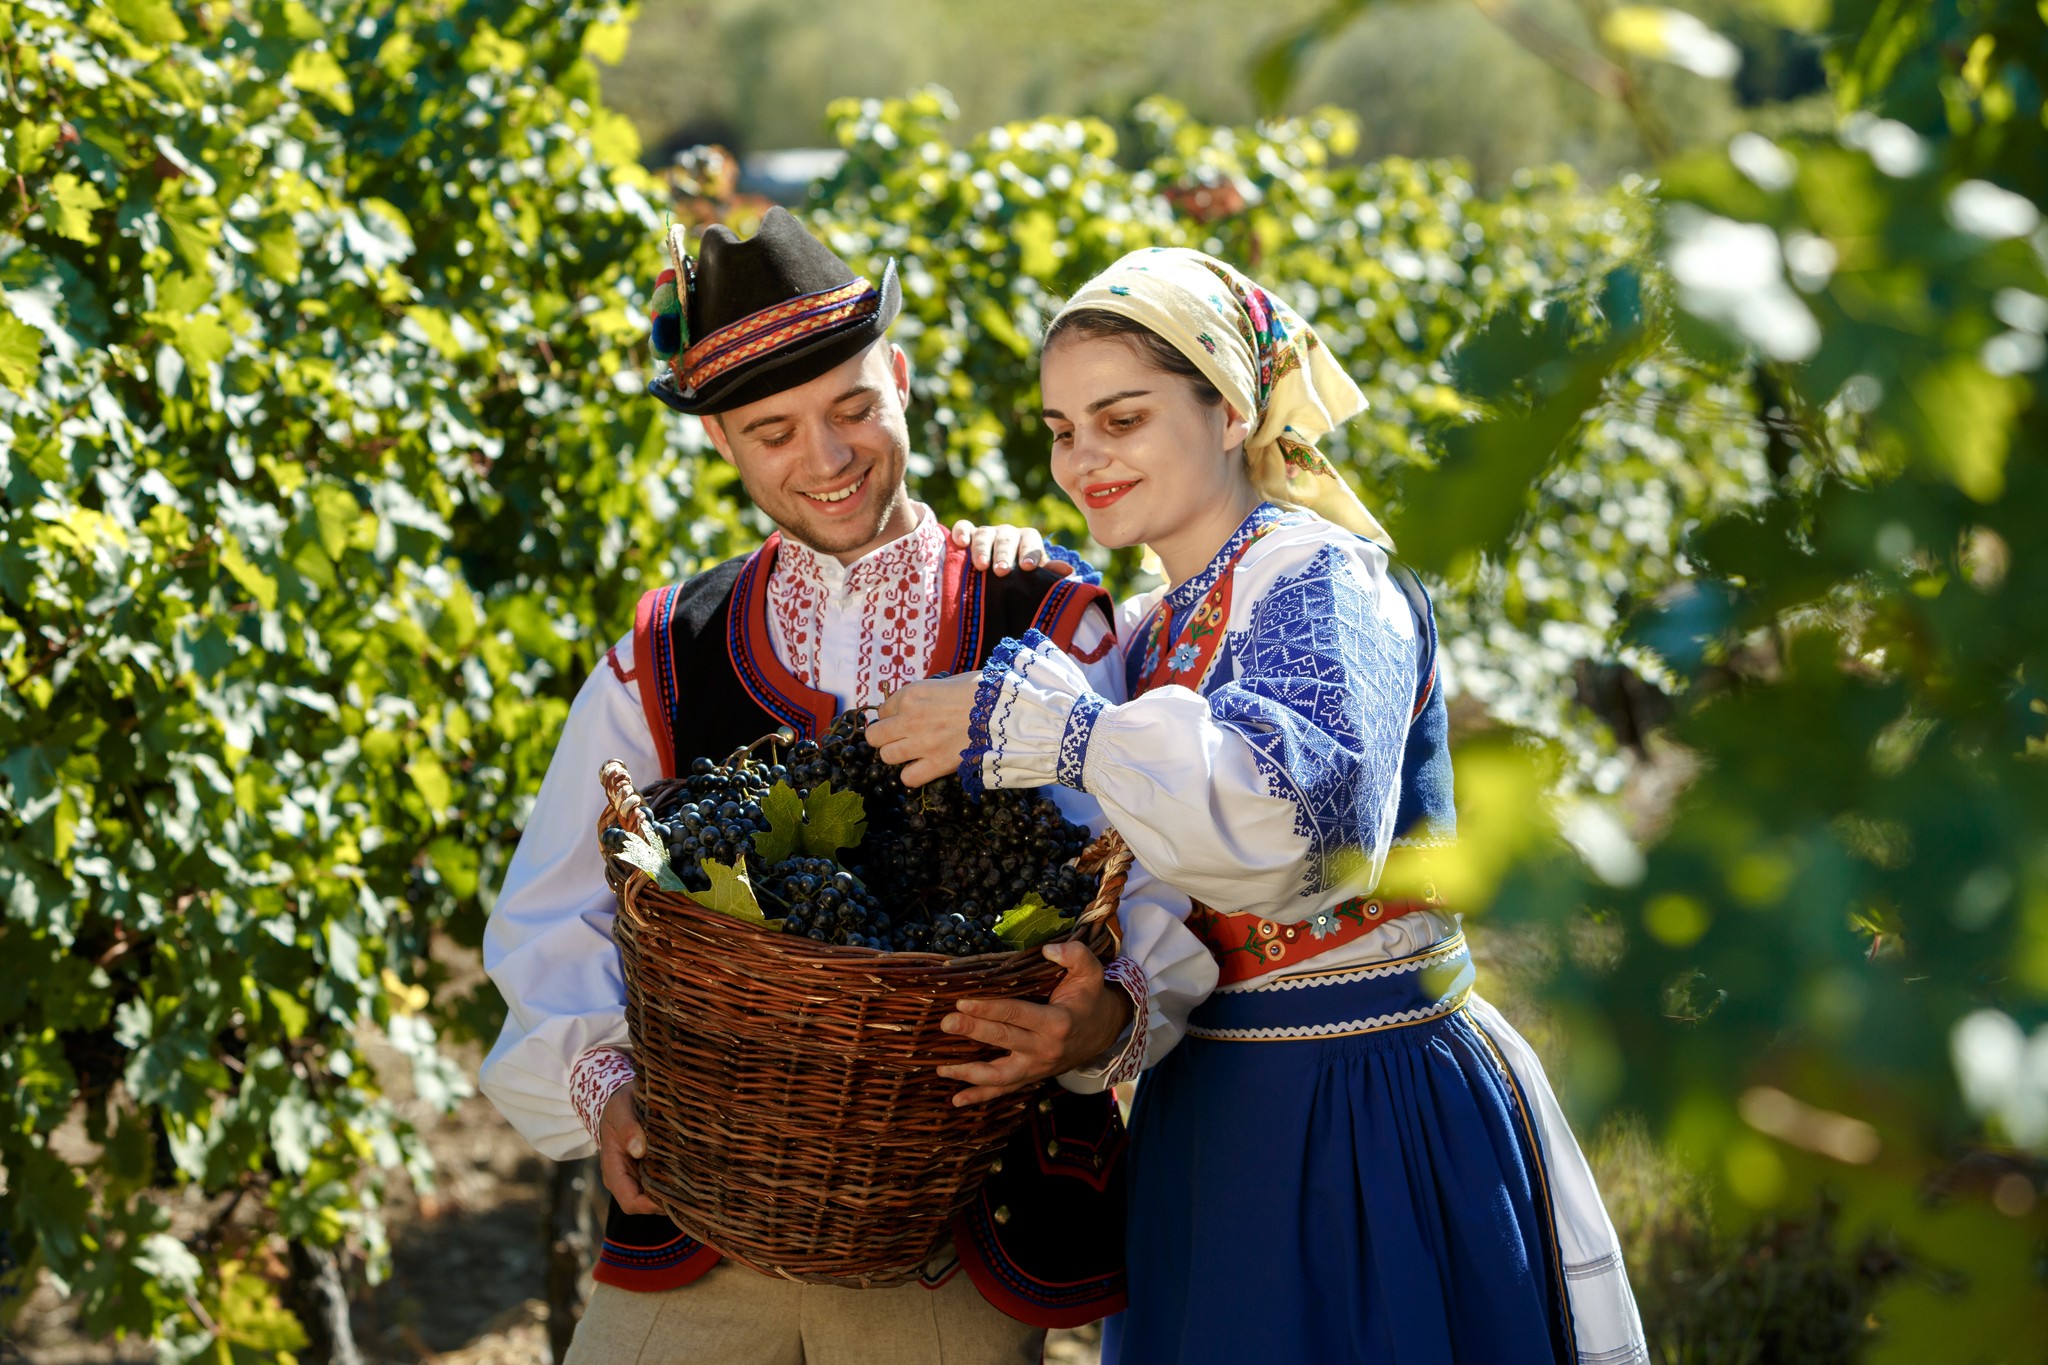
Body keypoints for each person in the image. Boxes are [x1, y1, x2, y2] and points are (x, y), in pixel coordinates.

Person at [869, 247, 1649, 1364]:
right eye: (1060, 428)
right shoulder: (1138, 632)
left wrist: (1062, 731)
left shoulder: (1325, 576)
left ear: (1229, 409)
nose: (1082, 455)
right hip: (1206, 1112)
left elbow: (1309, 825)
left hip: (1367, 1098)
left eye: (1120, 417)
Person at [478, 210, 1204, 1365]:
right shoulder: (667, 646)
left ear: (902, 381)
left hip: (951, 1230)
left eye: (853, 408)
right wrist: (605, 1088)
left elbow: (1144, 880)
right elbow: (549, 906)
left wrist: (1099, 1018)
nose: (825, 458)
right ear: (721, 441)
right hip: (699, 1218)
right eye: (772, 431)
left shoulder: (1044, 613)